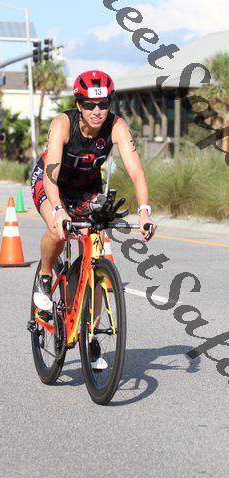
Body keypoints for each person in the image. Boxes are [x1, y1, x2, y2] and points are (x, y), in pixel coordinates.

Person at [31, 69, 158, 313]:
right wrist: (58, 210)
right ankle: (45, 276)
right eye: (90, 105)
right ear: (79, 105)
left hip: (87, 187)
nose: (97, 111)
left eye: (104, 104)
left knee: (94, 251)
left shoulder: (117, 125)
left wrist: (144, 212)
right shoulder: (62, 124)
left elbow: (136, 172)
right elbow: (50, 175)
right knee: (58, 231)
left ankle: (90, 330)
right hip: (52, 184)